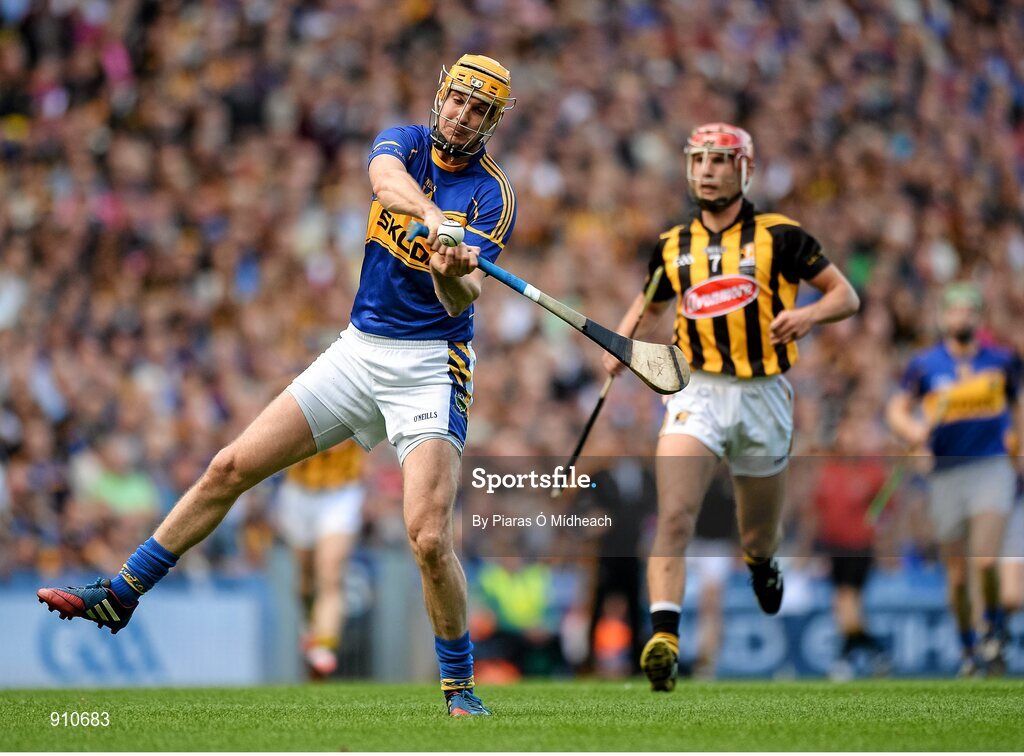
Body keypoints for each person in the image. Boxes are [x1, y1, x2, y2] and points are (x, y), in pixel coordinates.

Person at [37, 54, 517, 717]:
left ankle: (459, 688)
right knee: (230, 466)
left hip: (431, 365)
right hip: (360, 348)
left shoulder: (493, 196)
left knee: (429, 538)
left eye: (478, 108)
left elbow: (463, 298)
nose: (462, 114)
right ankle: (120, 595)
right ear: (442, 96)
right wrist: (434, 218)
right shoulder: (405, 143)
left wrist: (447, 266)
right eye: (458, 99)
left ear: (492, 122)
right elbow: (384, 182)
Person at [602, 123, 860, 692]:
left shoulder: (782, 237)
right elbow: (648, 303)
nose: (708, 171)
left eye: (720, 161)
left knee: (758, 537)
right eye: (699, 160)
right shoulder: (673, 245)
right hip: (695, 391)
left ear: (745, 170)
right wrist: (620, 345)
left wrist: (809, 315)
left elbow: (846, 295)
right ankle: (665, 638)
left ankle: (762, 565)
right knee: (674, 516)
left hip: (763, 395)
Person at [886, 282, 1021, 677]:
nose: (961, 317)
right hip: (946, 474)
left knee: (986, 559)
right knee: (958, 576)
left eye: (968, 310)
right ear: (944, 317)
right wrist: (912, 431)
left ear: (979, 318)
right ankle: (967, 648)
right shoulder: (925, 365)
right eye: (955, 310)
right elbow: (897, 409)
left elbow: (1018, 407)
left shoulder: (1002, 361)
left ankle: (993, 628)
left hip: (991, 467)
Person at [276, 440, 365, 679]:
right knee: (306, 579)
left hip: (342, 490)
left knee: (331, 574)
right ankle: (309, 622)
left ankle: (323, 646)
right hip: (299, 490)